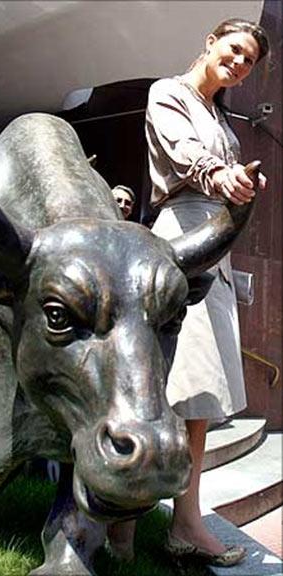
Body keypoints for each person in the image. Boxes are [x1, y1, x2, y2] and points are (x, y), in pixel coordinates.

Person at [144, 18, 270, 566]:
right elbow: (184, 154)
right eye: (235, 51)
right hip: (179, 239)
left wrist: (244, 187)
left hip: (216, 243)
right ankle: (126, 519)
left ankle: (186, 523)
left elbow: (225, 174)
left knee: (199, 398)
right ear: (211, 42)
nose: (240, 64)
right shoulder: (167, 92)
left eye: (249, 63)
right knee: (163, 389)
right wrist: (222, 178)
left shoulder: (229, 124)